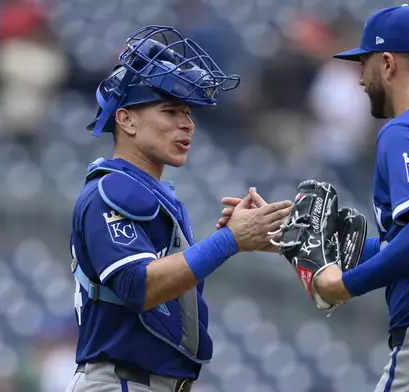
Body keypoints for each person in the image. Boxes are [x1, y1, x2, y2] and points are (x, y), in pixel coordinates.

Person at [220, 5, 409, 392]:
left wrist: (345, 285)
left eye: (364, 64)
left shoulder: (407, 129)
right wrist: (294, 236)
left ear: (387, 63)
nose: (360, 79)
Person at [65, 25, 292, 392]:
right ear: (126, 119)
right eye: (170, 110)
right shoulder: (113, 189)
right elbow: (138, 285)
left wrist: (233, 238)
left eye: (187, 111)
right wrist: (230, 241)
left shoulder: (149, 192)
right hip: (123, 382)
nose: (186, 123)